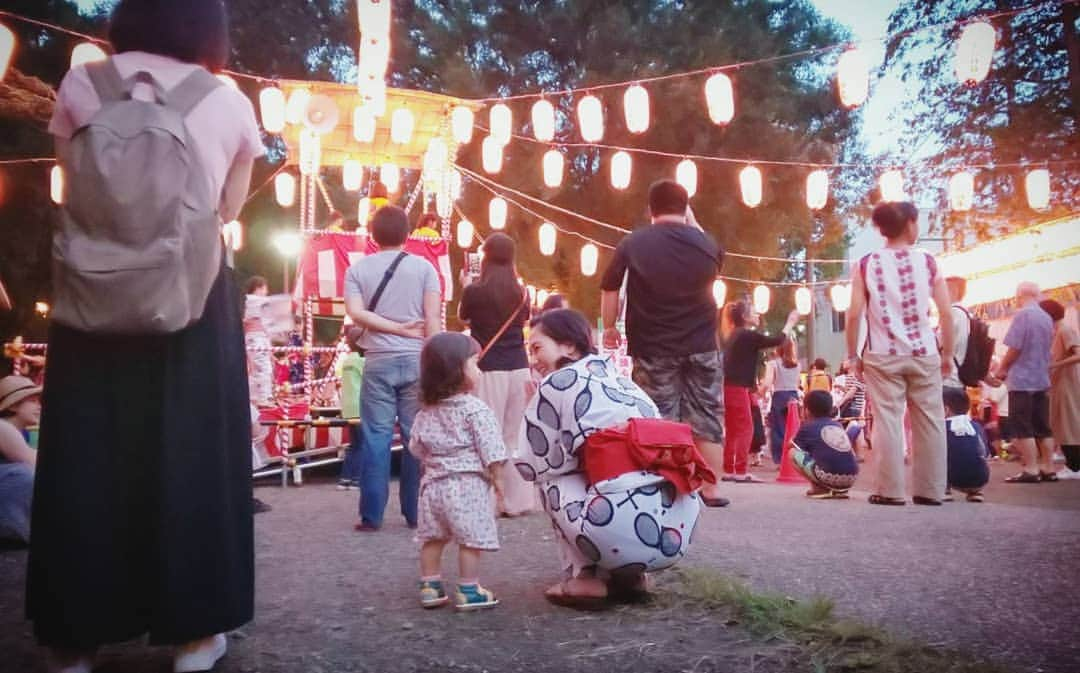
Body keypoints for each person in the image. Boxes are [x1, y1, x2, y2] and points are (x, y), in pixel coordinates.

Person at [30, 2, 264, 671]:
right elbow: (227, 207)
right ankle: (193, 634)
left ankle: (72, 638)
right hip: (189, 294)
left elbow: (72, 185)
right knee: (191, 453)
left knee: (86, 456)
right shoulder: (223, 98)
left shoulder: (85, 83)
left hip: (90, 290)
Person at [519, 309, 705, 609]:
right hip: (678, 530)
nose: (533, 359)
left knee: (550, 476)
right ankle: (632, 577)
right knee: (616, 474)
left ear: (568, 345)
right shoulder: (622, 382)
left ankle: (584, 579)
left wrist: (534, 405)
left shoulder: (558, 382)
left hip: (614, 524)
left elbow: (533, 462)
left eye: (537, 347)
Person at [599, 180, 727, 506]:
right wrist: (693, 222)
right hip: (702, 343)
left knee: (658, 416)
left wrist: (610, 326)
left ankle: (664, 485)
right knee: (707, 415)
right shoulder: (707, 244)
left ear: (650, 208)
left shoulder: (634, 243)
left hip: (653, 344)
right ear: (685, 209)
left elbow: (610, 286)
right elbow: (712, 252)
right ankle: (711, 489)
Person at [844, 201, 954, 506]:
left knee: (888, 419)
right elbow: (945, 312)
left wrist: (853, 355)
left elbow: (854, 314)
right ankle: (930, 490)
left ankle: (890, 490)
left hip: (882, 353)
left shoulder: (866, 263)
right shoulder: (929, 262)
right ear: (909, 223)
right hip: (924, 351)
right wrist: (947, 353)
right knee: (930, 419)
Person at [344, 205, 441, 531]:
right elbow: (433, 321)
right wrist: (436, 362)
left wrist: (391, 330)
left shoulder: (358, 270)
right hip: (416, 360)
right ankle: (415, 513)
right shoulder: (425, 268)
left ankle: (371, 516)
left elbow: (357, 315)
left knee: (375, 437)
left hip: (378, 362)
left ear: (373, 234)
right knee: (416, 437)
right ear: (407, 233)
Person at [409, 333, 506, 611]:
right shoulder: (475, 410)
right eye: (475, 364)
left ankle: (430, 586)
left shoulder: (425, 411)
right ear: (457, 371)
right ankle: (469, 589)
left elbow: (416, 446)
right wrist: (498, 479)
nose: (480, 370)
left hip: (432, 486)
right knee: (470, 539)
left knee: (433, 538)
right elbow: (492, 448)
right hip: (467, 487)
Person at [458, 233, 538, 516]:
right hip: (519, 366)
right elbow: (524, 320)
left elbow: (463, 318)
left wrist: (465, 285)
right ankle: (517, 501)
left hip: (489, 368)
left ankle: (488, 499)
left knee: (485, 434)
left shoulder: (475, 291)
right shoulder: (523, 293)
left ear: (487, 257)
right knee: (514, 435)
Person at [721, 301, 799, 481]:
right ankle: (739, 471)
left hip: (731, 386)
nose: (758, 315)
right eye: (754, 312)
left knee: (733, 429)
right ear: (745, 317)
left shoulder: (735, 335)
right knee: (745, 429)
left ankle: (729, 469)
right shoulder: (746, 335)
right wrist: (790, 323)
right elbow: (777, 340)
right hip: (738, 387)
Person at [994, 282, 1055, 483]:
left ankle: (1031, 468)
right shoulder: (1046, 317)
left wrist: (1002, 369)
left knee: (1022, 425)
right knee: (1043, 425)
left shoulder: (1022, 315)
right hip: (1041, 377)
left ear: (1019, 295)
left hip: (1022, 379)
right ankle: (1048, 467)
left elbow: (1015, 347)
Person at [790, 390, 859, 499]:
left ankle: (818, 488)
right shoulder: (838, 425)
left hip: (829, 476)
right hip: (851, 477)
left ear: (807, 410)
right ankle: (839, 490)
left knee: (792, 452)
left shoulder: (807, 427)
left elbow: (793, 445)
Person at [1041, 299, 1080, 479]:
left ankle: (1074, 467)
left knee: (1068, 425)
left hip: (1067, 384)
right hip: (1060, 384)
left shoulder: (1065, 330)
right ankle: (1072, 465)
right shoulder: (1058, 332)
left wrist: (1055, 365)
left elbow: (1078, 354)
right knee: (1062, 424)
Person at [0, 375, 38, 544]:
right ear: (14, 405)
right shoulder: (3, 427)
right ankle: (11, 530)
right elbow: (36, 464)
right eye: (34, 401)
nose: (40, 406)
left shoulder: (22, 432)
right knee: (22, 474)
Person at [943, 388, 990, 502]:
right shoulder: (976, 426)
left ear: (945, 409)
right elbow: (985, 452)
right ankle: (976, 492)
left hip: (953, 475)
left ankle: (944, 489)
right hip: (981, 478)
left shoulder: (942, 427)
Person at [762, 340, 800, 466]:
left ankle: (780, 459)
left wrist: (760, 392)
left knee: (778, 429)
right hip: (794, 395)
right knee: (793, 427)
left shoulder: (773, 363)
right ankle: (793, 457)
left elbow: (767, 383)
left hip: (779, 396)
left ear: (778, 349)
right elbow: (798, 383)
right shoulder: (797, 365)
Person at [336, 326, 365, 490]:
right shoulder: (362, 361)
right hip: (360, 407)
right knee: (363, 445)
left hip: (347, 407)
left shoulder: (347, 360)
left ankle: (344, 478)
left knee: (353, 444)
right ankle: (357, 479)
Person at [243, 275, 274, 406]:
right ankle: (262, 397)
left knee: (255, 369)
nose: (265, 292)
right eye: (264, 288)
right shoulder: (253, 300)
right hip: (256, 337)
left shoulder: (246, 301)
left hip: (255, 337)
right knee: (262, 367)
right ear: (258, 288)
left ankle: (255, 397)